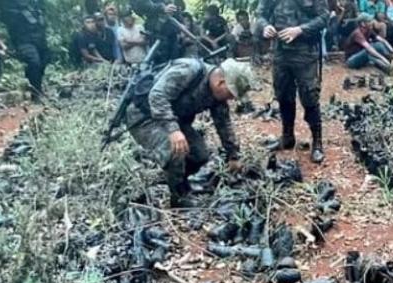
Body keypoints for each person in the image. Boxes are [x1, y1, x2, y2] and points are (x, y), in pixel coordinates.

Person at [125, 58, 254, 208]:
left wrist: (233, 155)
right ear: (221, 82)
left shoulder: (217, 96)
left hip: (175, 120)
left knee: (200, 155)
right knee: (175, 151)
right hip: (144, 118)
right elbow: (157, 96)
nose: (231, 99)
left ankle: (177, 179)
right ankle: (178, 198)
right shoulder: (188, 70)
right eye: (231, 94)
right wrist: (173, 131)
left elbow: (223, 123)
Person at [257, 0, 330, 163]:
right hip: (280, 53)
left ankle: (317, 142)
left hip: (305, 53)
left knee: (309, 95)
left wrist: (300, 30)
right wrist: (265, 26)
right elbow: (260, 14)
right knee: (283, 95)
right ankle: (287, 137)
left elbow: (324, 17)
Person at [0, 0, 50, 102]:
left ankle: (35, 86)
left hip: (39, 38)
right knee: (34, 62)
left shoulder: (34, 3)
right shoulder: (11, 5)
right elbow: (5, 15)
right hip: (23, 40)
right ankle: (35, 93)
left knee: (45, 59)